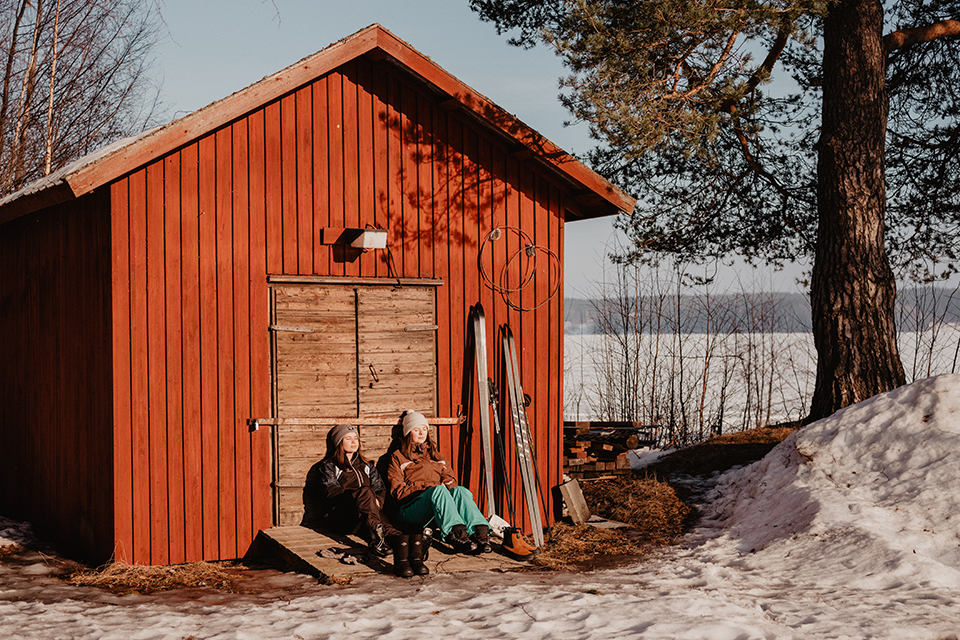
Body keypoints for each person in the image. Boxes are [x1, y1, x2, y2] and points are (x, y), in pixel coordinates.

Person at [387, 410, 492, 555]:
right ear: (407, 433)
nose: (421, 433)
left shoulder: (436, 456)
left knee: (460, 490)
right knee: (439, 490)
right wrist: (430, 489)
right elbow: (397, 491)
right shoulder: (398, 457)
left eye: (424, 429)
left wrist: (446, 486)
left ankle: (479, 533)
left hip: (437, 509)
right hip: (410, 510)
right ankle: (455, 534)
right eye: (416, 429)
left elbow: (451, 481)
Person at [305, 423, 395, 559]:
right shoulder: (329, 466)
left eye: (356, 438)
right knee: (365, 492)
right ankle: (377, 540)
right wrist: (358, 496)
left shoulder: (367, 465)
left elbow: (380, 488)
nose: (354, 442)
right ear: (339, 442)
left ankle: (410, 551)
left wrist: (378, 501)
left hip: (367, 515)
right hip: (342, 517)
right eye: (348, 439)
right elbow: (331, 492)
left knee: (391, 531)